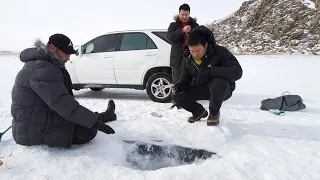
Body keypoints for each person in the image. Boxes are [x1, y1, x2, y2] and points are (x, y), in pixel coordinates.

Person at [11, 34, 116, 148]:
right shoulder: (42, 68)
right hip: (33, 132)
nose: (69, 58)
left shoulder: (42, 64)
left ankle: (104, 116)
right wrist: (93, 123)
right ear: (52, 48)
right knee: (88, 131)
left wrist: (90, 120)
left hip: (37, 121)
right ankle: (102, 118)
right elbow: (61, 102)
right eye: (66, 53)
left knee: (83, 119)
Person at [171, 26, 243, 126]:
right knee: (176, 93)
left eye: (198, 50)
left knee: (218, 80)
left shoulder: (220, 52)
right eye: (192, 51)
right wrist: (180, 85)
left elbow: (237, 72)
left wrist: (212, 71)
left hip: (222, 89)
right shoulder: (187, 57)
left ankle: (214, 113)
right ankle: (198, 112)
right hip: (202, 87)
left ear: (206, 45)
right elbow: (186, 75)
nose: (195, 54)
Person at [167, 3, 199, 109]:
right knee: (177, 80)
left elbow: (200, 38)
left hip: (192, 58)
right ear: (179, 13)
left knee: (191, 80)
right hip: (177, 58)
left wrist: (192, 32)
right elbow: (170, 37)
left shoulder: (195, 25)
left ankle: (189, 100)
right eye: (182, 14)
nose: (184, 16)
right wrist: (182, 31)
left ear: (189, 14)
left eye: (186, 14)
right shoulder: (173, 25)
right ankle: (176, 101)